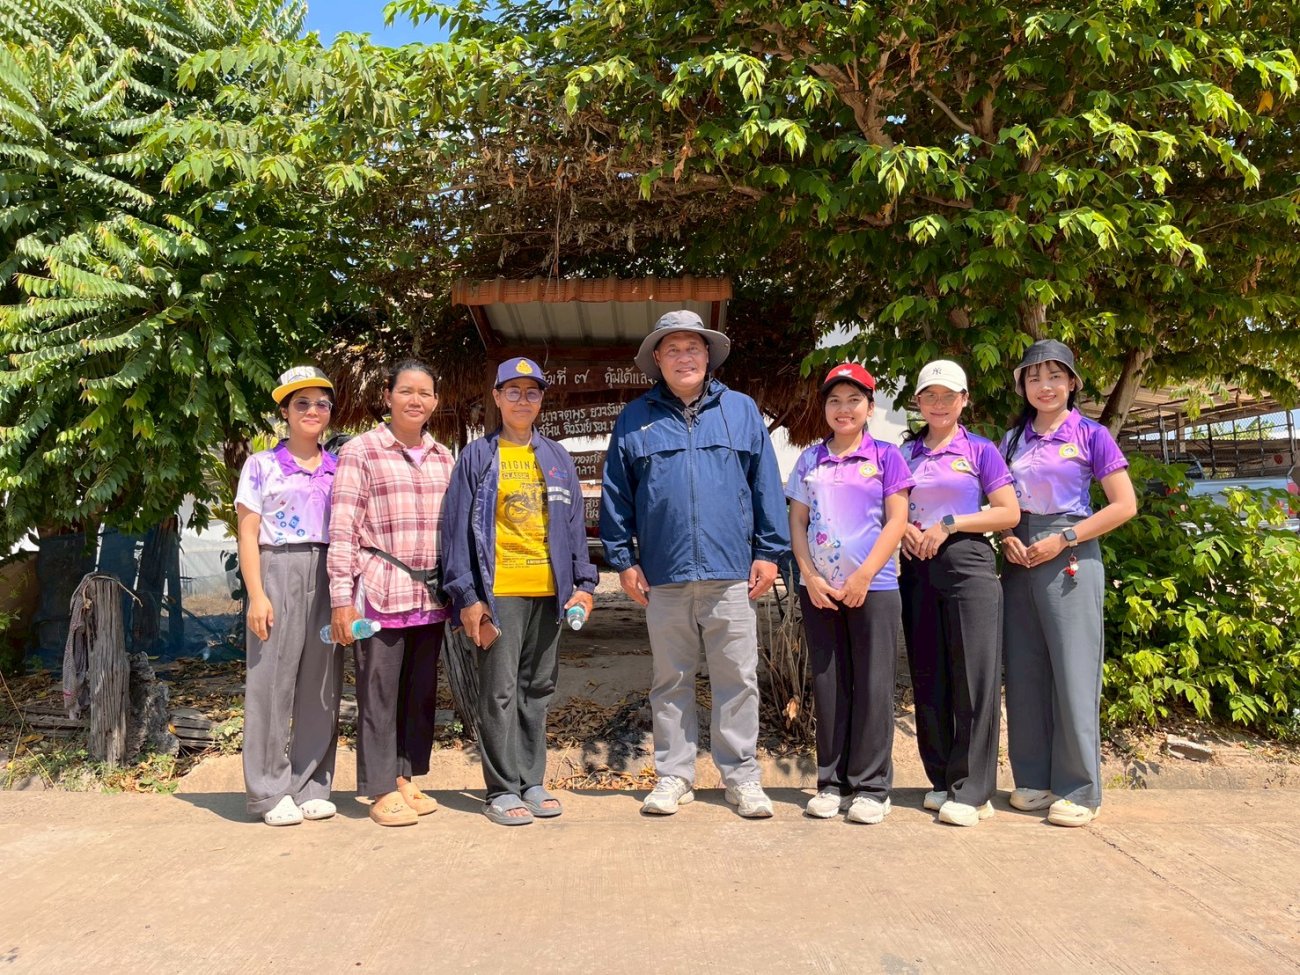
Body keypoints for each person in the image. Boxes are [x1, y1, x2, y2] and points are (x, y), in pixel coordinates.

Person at [601, 310, 789, 818]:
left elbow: (765, 485)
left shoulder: (741, 410)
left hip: (732, 572)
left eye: (692, 348)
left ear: (708, 355)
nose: (684, 357)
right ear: (657, 360)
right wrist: (623, 559)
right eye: (673, 349)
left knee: (738, 679)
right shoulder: (635, 418)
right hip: (663, 575)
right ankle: (674, 775)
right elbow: (617, 494)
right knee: (670, 680)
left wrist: (768, 551)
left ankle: (742, 777)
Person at [442, 357, 598, 826]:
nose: (522, 400)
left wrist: (584, 585)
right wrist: (467, 596)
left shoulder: (556, 458)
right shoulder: (478, 457)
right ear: (497, 398)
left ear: (541, 400)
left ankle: (532, 781)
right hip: (500, 594)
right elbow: (455, 532)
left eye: (532, 392)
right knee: (499, 692)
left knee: (537, 689)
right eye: (513, 391)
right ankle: (501, 789)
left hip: (549, 594)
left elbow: (573, 528)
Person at [999, 340, 1137, 827]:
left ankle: (1080, 789)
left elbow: (1124, 505)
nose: (1045, 386)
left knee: (1074, 673)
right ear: (1022, 386)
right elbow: (1001, 502)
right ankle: (1033, 779)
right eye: (1034, 377)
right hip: (1019, 557)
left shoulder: (1091, 434)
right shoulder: (1011, 440)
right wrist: (1006, 537)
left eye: (1055, 376)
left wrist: (1066, 538)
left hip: (1071, 554)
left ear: (1073, 383)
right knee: (1024, 672)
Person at [327, 359, 455, 827]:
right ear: (387, 396)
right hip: (379, 592)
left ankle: (405, 777)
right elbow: (343, 529)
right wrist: (341, 598)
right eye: (406, 391)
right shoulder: (361, 451)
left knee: (418, 694)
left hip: (429, 597)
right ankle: (380, 788)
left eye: (424, 393)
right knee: (378, 693)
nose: (415, 400)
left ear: (435, 402)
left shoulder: (445, 458)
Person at [786, 362, 912, 824]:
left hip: (874, 588)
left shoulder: (887, 457)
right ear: (824, 408)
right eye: (835, 400)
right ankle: (831, 783)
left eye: (854, 400)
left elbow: (897, 520)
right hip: (820, 591)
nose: (844, 409)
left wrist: (863, 577)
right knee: (830, 685)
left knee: (874, 685)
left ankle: (872, 788)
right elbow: (797, 523)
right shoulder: (809, 460)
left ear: (870, 407)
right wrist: (809, 576)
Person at [899, 360, 1020, 827]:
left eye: (948, 396)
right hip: (916, 567)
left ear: (964, 400)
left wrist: (950, 523)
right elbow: (889, 506)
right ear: (918, 401)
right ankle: (941, 778)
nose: (939, 404)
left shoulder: (980, 450)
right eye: (930, 396)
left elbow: (1007, 512)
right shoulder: (904, 453)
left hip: (968, 563)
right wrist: (904, 528)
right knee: (928, 676)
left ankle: (973, 790)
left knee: (974, 677)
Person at [236, 366, 343, 826]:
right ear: (285, 411)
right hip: (277, 568)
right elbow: (248, 532)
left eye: (321, 403)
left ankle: (311, 785)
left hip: (330, 571)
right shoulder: (261, 465)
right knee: (271, 682)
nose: (312, 411)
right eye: (302, 403)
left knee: (322, 682)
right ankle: (269, 790)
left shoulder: (340, 468)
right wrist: (256, 594)